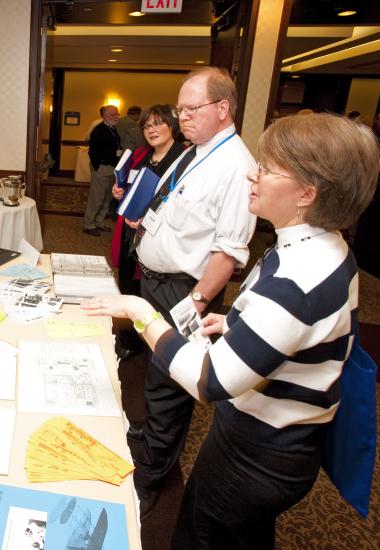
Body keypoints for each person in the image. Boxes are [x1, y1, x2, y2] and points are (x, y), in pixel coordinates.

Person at [83, 112, 380, 548]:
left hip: (256, 453)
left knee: (202, 537)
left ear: (307, 193)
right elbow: (304, 335)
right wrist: (238, 325)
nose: (251, 174)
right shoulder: (327, 245)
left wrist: (141, 312)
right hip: (285, 444)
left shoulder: (296, 278)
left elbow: (210, 382)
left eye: (267, 168)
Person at [122, 67, 257, 518]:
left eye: (191, 109)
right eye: (179, 109)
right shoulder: (193, 152)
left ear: (223, 108)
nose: (182, 117)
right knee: (154, 371)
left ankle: (152, 474)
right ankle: (149, 438)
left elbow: (229, 251)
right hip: (157, 279)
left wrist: (195, 303)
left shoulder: (237, 166)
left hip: (186, 289)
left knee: (171, 382)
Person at [110, 104, 186, 358]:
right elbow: (127, 191)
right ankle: (130, 342)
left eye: (158, 123)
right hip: (130, 234)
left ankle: (156, 345)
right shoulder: (142, 155)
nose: (152, 130)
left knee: (153, 296)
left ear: (172, 126)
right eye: (147, 126)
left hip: (158, 239)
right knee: (128, 288)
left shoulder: (183, 159)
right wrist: (118, 192)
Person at [84, 104, 121, 236]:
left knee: (106, 199)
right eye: (113, 114)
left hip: (112, 169)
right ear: (104, 116)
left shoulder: (113, 129)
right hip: (102, 168)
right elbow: (92, 152)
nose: (116, 117)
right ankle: (89, 225)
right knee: (97, 199)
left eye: (117, 114)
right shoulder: (98, 130)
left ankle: (99, 223)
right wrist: (97, 167)